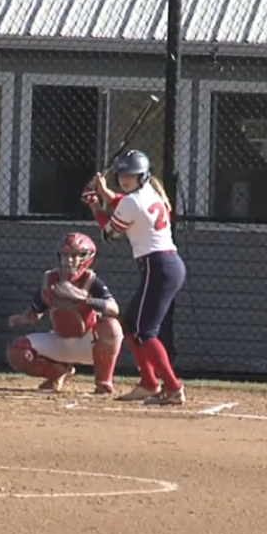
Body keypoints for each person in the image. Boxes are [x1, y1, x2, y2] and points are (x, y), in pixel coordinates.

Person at [82, 150, 186, 406]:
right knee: (132, 324)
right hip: (166, 265)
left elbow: (110, 235)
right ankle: (149, 383)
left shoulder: (132, 202)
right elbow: (124, 204)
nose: (126, 179)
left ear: (143, 176)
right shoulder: (150, 194)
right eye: (123, 174)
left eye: (132, 175)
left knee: (145, 331)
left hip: (157, 266)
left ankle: (172, 387)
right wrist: (104, 193)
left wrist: (95, 206)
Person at [5, 232, 123, 394]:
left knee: (112, 327)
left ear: (87, 258)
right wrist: (23, 318)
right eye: (65, 255)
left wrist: (86, 300)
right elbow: (35, 313)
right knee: (17, 351)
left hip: (88, 344)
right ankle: (57, 372)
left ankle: (103, 381)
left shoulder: (91, 281)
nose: (69, 261)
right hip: (61, 340)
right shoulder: (50, 280)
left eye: (75, 256)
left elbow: (114, 308)